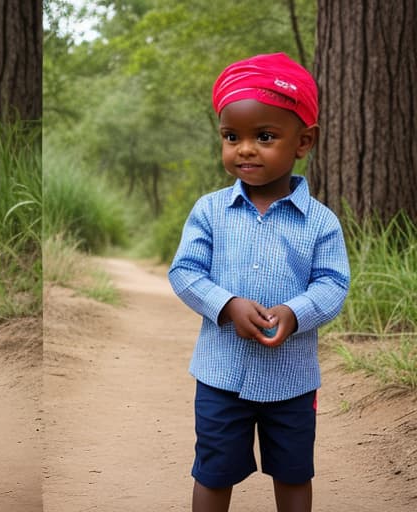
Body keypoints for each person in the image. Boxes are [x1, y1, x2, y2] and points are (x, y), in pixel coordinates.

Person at [168, 52, 350, 512]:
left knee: (293, 472)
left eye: (264, 136)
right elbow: (185, 271)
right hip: (219, 374)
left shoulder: (321, 223)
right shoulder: (209, 211)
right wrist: (226, 304)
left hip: (291, 380)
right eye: (232, 137)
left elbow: (332, 283)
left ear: (303, 141)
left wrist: (295, 312)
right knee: (213, 468)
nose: (244, 149)